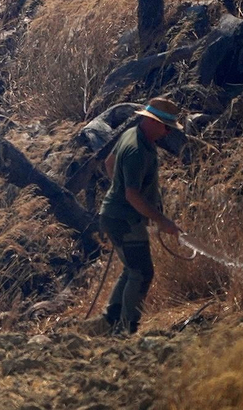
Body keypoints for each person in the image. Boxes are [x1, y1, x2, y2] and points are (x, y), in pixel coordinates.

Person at [93, 97, 185, 335]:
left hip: (117, 216)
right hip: (124, 220)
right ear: (151, 121)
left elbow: (110, 162)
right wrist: (163, 222)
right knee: (142, 272)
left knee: (131, 269)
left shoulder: (132, 135)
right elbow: (133, 195)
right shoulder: (136, 149)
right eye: (165, 126)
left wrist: (118, 188)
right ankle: (126, 328)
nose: (166, 132)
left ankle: (111, 320)